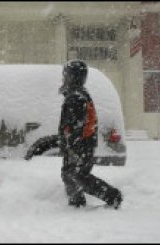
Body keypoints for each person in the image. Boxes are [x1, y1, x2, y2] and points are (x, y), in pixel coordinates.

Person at [58, 60, 123, 209]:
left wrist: (72, 146)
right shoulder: (76, 94)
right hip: (80, 144)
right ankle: (76, 203)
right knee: (69, 174)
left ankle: (113, 196)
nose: (63, 78)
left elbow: (77, 127)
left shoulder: (77, 97)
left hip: (82, 145)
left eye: (66, 75)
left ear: (74, 76)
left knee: (79, 176)